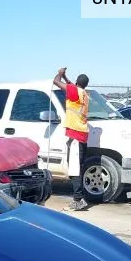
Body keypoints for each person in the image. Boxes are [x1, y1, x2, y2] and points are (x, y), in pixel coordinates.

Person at [53, 68, 90, 211]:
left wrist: (60, 74)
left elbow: (56, 82)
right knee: (78, 168)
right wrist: (66, 77)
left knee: (74, 170)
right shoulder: (84, 94)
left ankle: (78, 200)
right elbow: (70, 85)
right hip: (81, 135)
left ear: (77, 83)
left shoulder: (75, 92)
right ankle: (79, 198)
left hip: (75, 136)